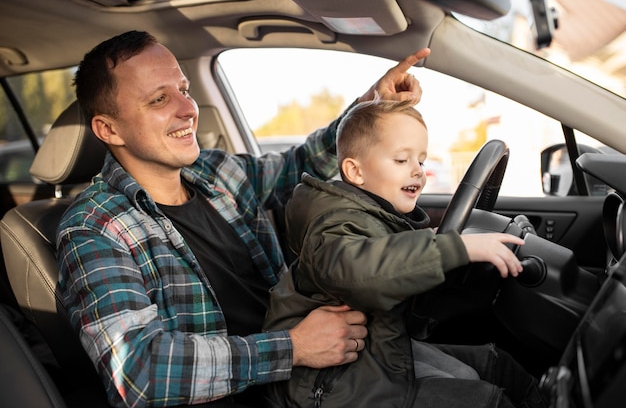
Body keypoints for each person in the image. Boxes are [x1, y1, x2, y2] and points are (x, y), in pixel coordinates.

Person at [55, 30, 430, 408]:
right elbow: (139, 372)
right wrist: (294, 347)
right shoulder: (93, 229)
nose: (188, 109)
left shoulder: (215, 171)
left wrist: (370, 106)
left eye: (184, 90)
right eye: (159, 99)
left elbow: (296, 165)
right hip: (264, 391)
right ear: (109, 129)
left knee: (476, 375)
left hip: (318, 374)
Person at [263, 99, 547, 408]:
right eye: (401, 160)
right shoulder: (333, 223)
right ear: (355, 172)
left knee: (497, 366)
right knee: (485, 400)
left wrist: (439, 247)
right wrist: (454, 248)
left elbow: (393, 261)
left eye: (421, 161)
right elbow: (361, 270)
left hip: (374, 346)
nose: (418, 172)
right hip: (327, 384)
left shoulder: (376, 215)